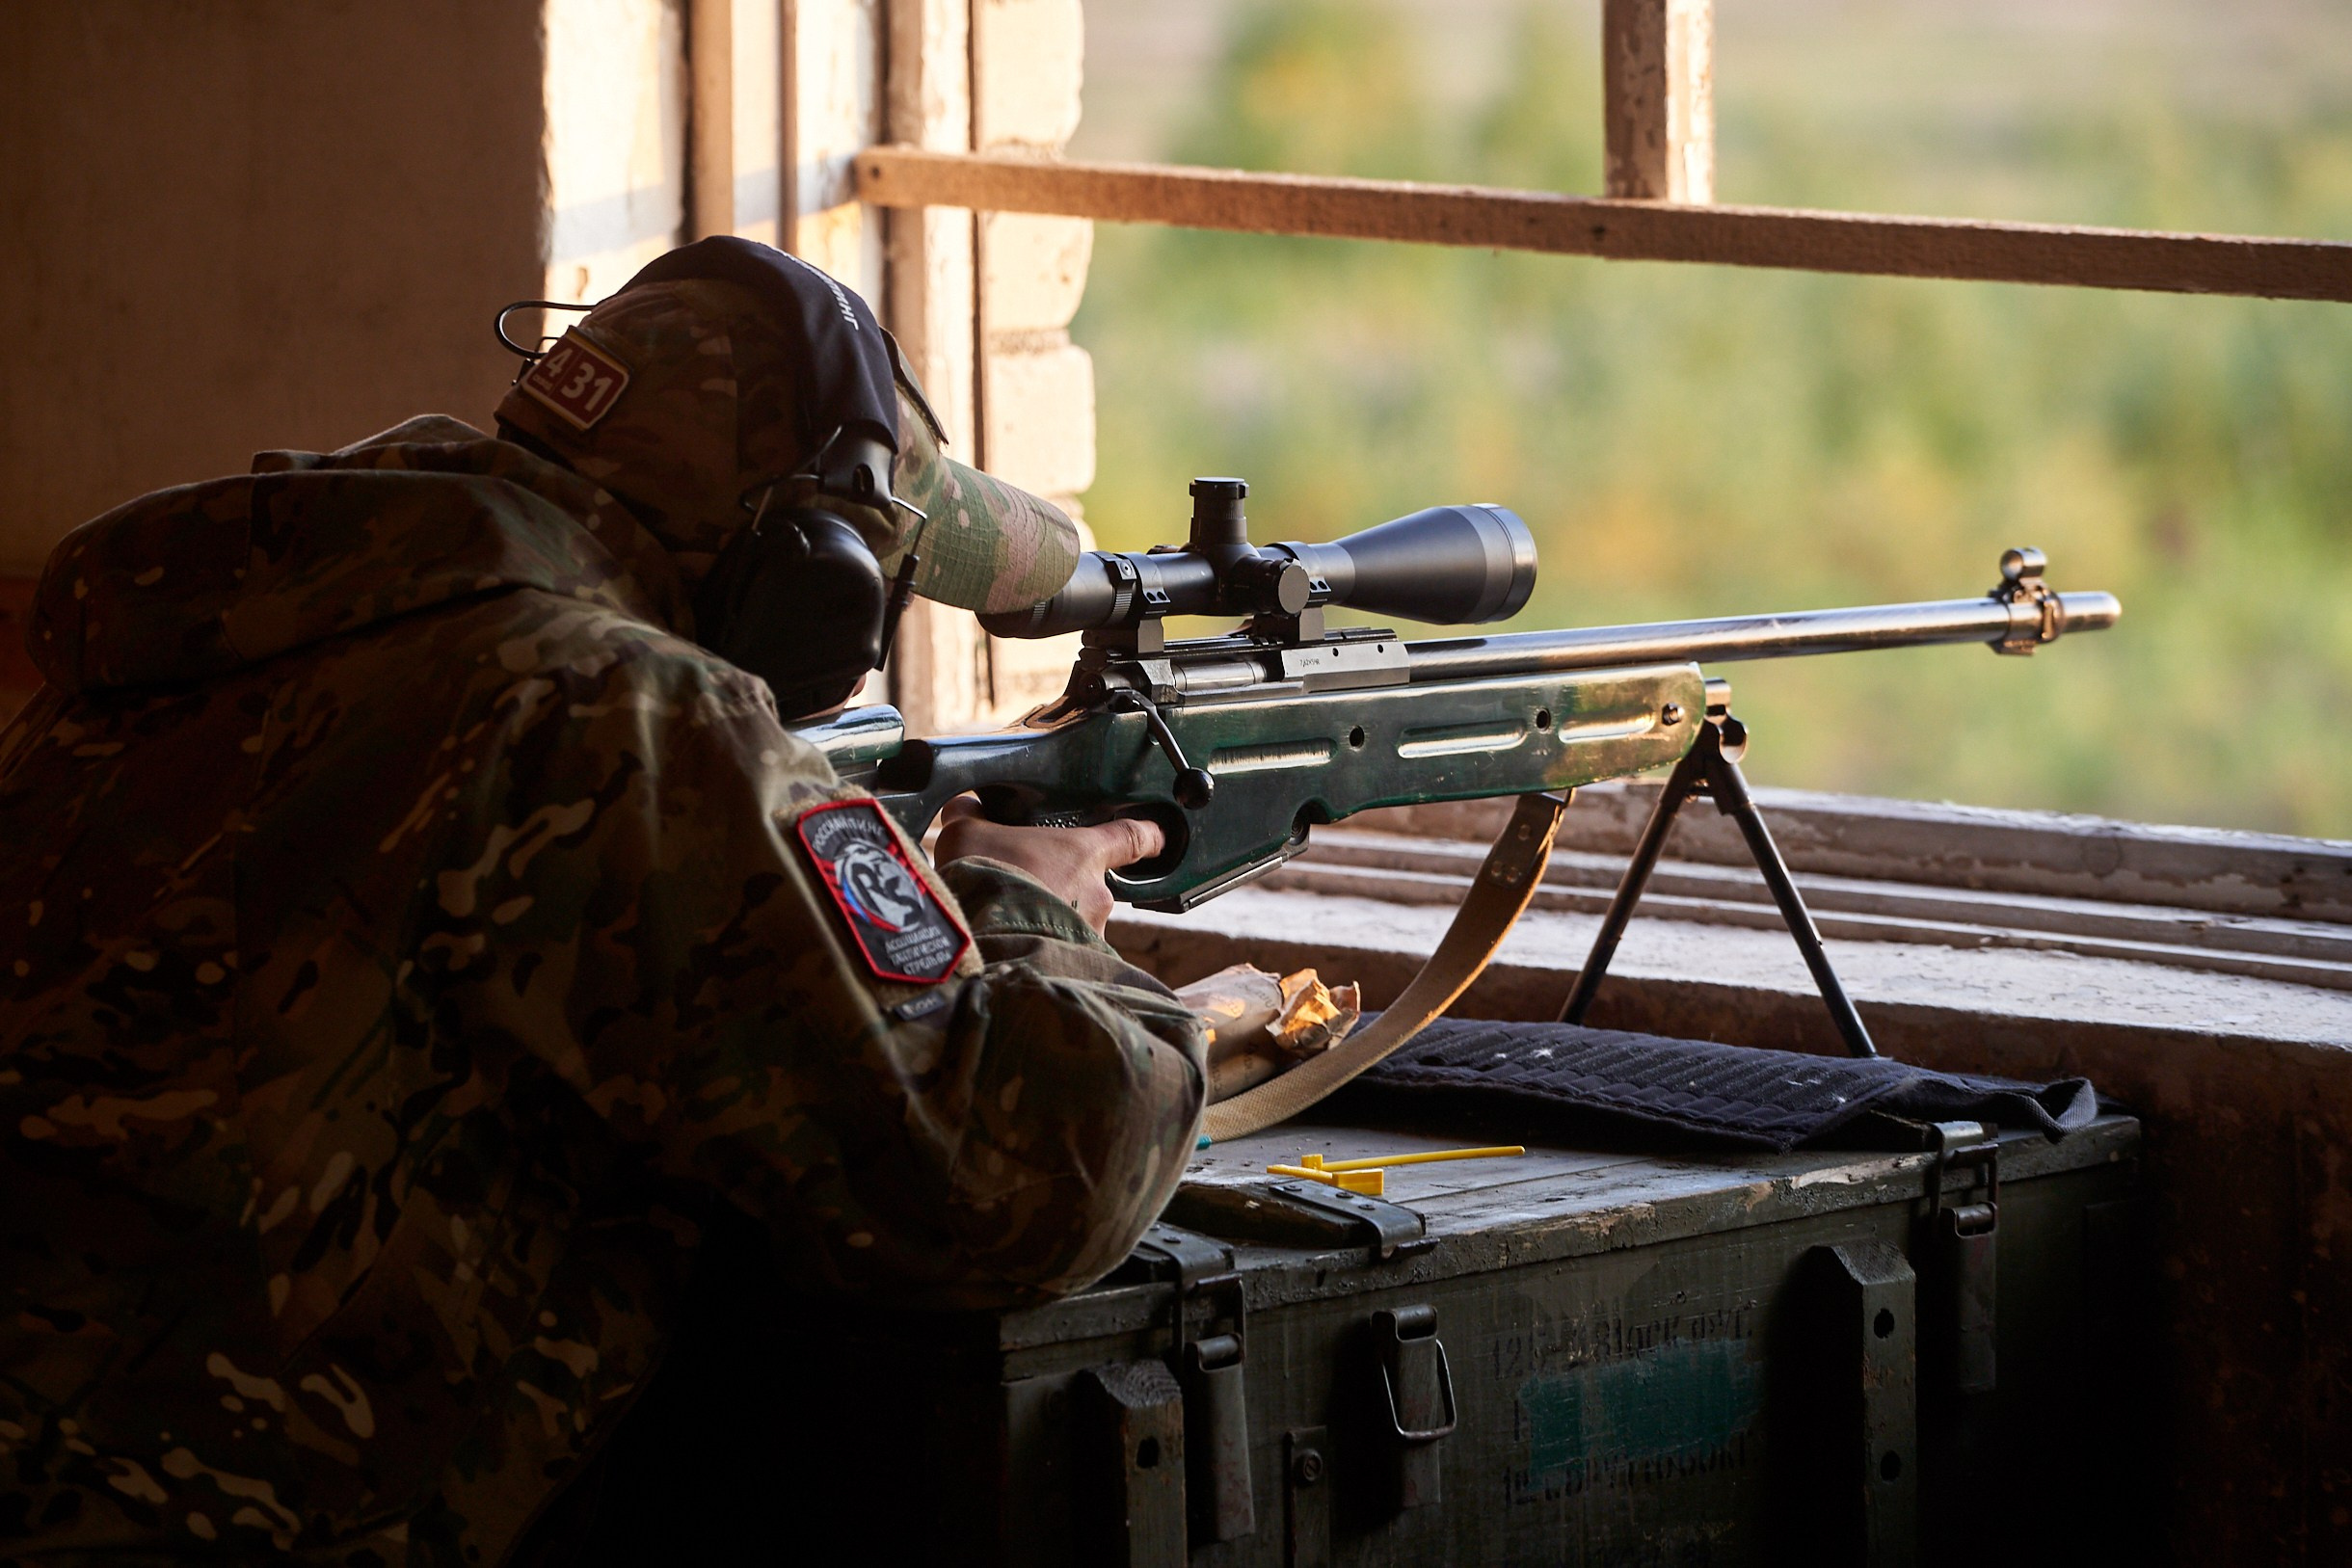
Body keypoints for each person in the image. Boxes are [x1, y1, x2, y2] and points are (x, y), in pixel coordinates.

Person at [0, 238, 1206, 1564]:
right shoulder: (611, 704)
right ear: (804, 583)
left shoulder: (256, 605)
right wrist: (1030, 905)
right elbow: (1012, 1184)